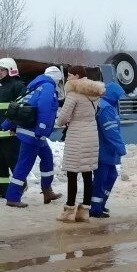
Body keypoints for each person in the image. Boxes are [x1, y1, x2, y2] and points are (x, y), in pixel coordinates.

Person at [1, 65, 64, 207]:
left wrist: (8, 124)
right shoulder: (48, 87)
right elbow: (45, 109)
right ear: (57, 78)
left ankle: (47, 190)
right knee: (25, 163)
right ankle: (13, 197)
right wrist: (42, 128)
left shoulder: (36, 86)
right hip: (34, 133)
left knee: (47, 158)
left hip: (31, 130)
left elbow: (22, 103)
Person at [54, 67, 105, 222]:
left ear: (77, 76)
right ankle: (84, 211)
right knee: (87, 173)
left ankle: (69, 210)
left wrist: (58, 122)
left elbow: (63, 118)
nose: (67, 78)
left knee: (72, 173)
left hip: (77, 135)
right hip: (91, 134)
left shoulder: (73, 94)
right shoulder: (94, 93)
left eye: (69, 75)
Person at [0, 57, 25, 199]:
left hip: (11, 132)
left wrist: (14, 125)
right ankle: (2, 189)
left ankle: (19, 186)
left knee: (12, 160)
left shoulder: (18, 86)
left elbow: (20, 109)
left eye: (3, 70)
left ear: (11, 71)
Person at [90, 80, 126, 219]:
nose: (119, 99)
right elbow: (110, 131)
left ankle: (100, 204)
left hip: (105, 148)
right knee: (102, 178)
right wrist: (120, 147)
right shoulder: (106, 108)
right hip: (104, 149)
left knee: (111, 176)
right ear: (113, 95)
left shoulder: (106, 105)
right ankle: (95, 208)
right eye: (118, 96)